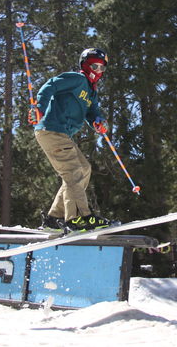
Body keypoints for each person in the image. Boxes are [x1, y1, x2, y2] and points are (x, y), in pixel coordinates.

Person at [29, 48, 113, 231]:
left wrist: (98, 122)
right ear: (85, 64)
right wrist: (40, 107)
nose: (98, 71)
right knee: (73, 171)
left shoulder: (91, 92)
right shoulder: (77, 79)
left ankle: (54, 218)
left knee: (84, 169)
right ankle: (78, 218)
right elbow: (50, 85)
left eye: (102, 68)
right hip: (50, 129)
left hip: (62, 134)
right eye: (95, 66)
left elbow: (93, 113)